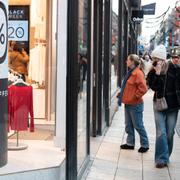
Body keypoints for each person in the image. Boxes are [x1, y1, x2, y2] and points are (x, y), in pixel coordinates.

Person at [146, 45, 180, 168]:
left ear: (164, 59)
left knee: (170, 133)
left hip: (173, 106)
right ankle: (161, 159)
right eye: (154, 59)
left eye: (158, 59)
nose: (156, 61)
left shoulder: (175, 69)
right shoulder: (152, 71)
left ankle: (166, 155)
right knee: (161, 133)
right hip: (159, 105)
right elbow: (154, 88)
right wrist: (158, 73)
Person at [118, 54, 149, 153]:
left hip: (135, 104)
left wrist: (134, 97)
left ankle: (145, 144)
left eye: (127, 60)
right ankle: (130, 143)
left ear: (132, 61)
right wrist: (122, 94)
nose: (126, 61)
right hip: (128, 103)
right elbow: (128, 87)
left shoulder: (138, 73)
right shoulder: (131, 73)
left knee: (138, 125)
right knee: (128, 125)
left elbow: (143, 89)